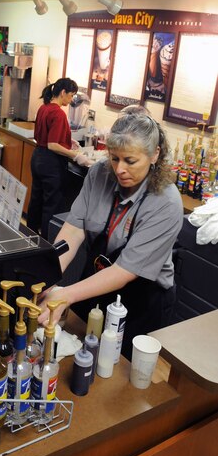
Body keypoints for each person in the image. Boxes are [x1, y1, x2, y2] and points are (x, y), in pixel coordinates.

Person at [38, 113, 183, 360]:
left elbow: (124, 271)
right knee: (80, 351)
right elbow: (72, 232)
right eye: (114, 158)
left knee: (118, 368)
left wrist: (67, 293)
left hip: (141, 298)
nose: (119, 169)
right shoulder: (99, 174)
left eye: (130, 160)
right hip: (96, 281)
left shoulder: (166, 203)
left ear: (155, 154)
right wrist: (48, 274)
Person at [26, 77, 90, 240]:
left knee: (36, 199)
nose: (71, 100)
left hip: (37, 158)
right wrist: (76, 155)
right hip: (50, 163)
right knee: (51, 204)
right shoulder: (58, 113)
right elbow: (53, 145)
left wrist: (68, 141)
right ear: (63, 93)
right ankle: (46, 243)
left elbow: (44, 137)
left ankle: (30, 236)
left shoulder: (44, 108)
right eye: (71, 95)